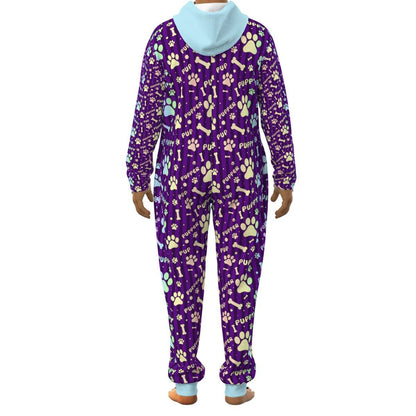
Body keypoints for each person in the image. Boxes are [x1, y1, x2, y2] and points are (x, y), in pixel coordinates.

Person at [125, 0, 297, 405]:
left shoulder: (164, 39)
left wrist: (137, 172)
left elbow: (147, 112)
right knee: (241, 276)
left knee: (180, 276)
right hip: (242, 173)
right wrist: (286, 173)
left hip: (179, 172)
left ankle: (185, 383)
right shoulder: (257, 39)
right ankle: (236, 383)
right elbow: (275, 112)